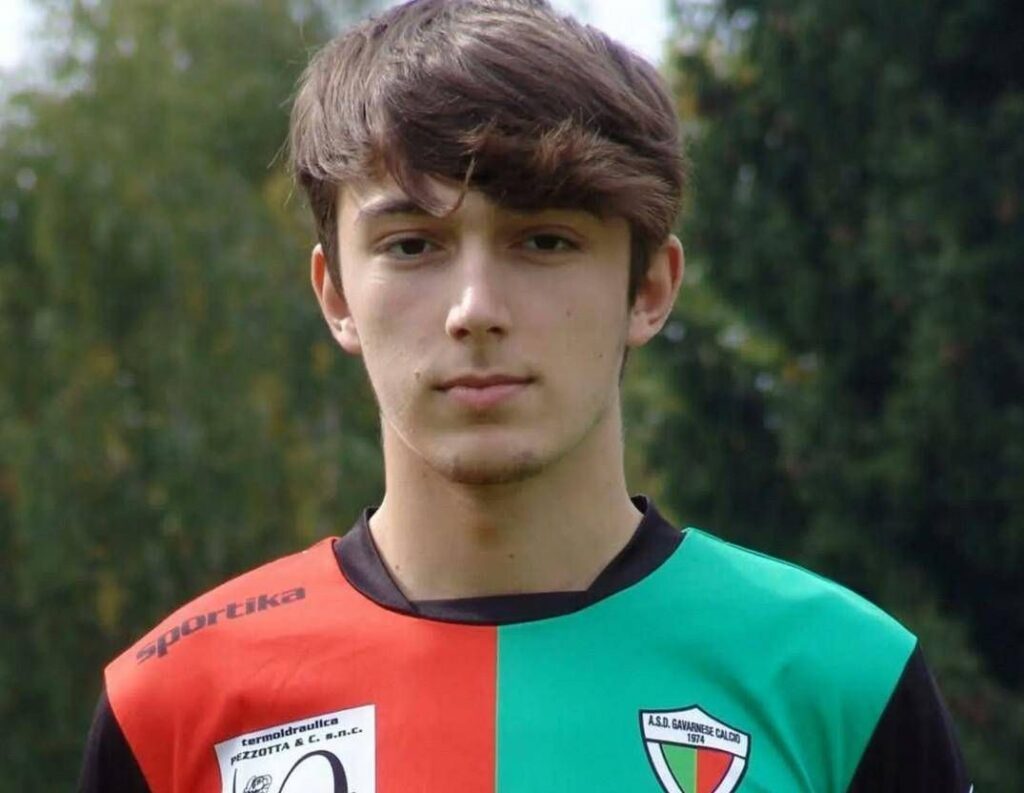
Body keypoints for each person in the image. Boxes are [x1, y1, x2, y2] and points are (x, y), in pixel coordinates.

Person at [77, 1, 970, 791]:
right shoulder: (171, 707)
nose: (475, 309)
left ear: (650, 287)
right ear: (336, 293)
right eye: (411, 245)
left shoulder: (846, 682)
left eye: (544, 240)